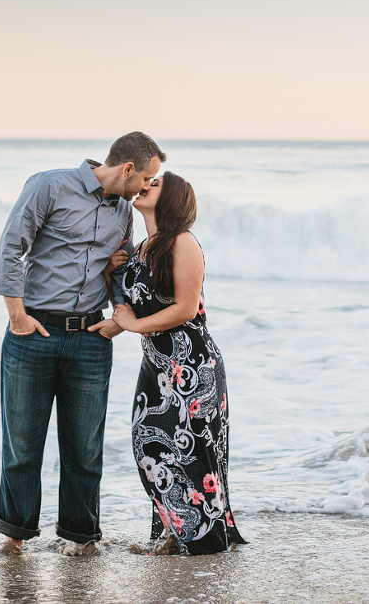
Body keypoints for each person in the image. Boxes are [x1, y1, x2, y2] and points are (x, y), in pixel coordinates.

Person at [0, 132, 165, 556]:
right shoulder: (49, 186)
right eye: (145, 178)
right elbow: (11, 248)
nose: (146, 187)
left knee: (85, 450)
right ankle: (15, 537)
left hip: (90, 339)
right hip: (33, 334)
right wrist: (17, 315)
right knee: (22, 446)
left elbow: (120, 270)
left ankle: (81, 538)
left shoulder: (123, 212)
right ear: (127, 168)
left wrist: (119, 319)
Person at [111, 171, 245, 555]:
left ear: (171, 199)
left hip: (192, 366)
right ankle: (178, 531)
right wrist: (111, 272)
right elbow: (126, 309)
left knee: (193, 453)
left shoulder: (183, 243)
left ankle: (201, 541)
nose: (143, 186)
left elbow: (185, 309)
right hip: (156, 368)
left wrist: (133, 325)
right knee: (147, 447)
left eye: (154, 185)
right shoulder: (140, 251)